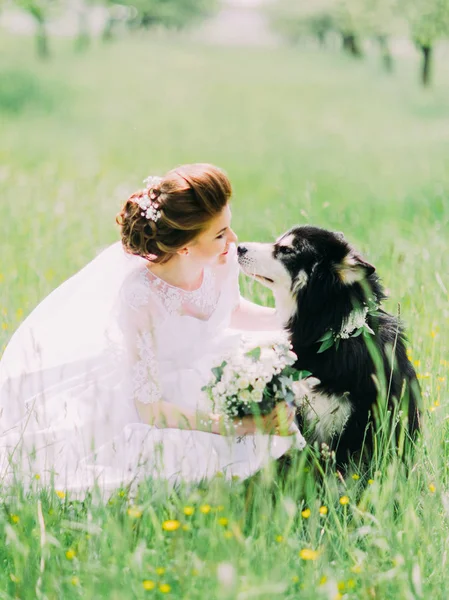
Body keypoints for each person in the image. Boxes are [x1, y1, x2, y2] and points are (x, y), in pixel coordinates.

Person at [0, 163, 304, 499]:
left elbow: (230, 310)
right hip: (159, 400)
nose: (233, 240)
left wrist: (292, 322)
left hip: (207, 367)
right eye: (220, 234)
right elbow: (150, 409)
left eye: (229, 227)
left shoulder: (220, 260)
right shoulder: (140, 297)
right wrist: (240, 426)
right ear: (185, 246)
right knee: (185, 466)